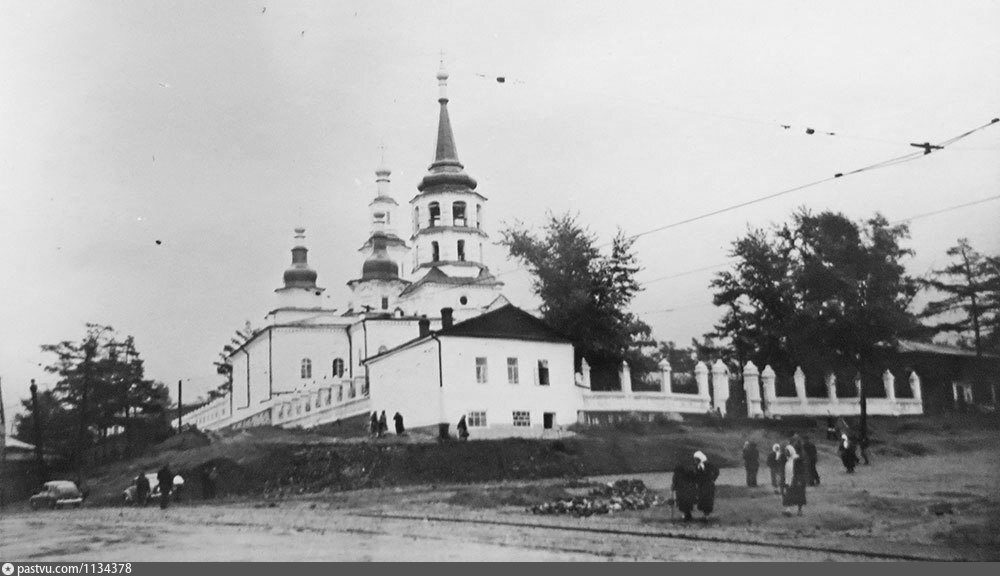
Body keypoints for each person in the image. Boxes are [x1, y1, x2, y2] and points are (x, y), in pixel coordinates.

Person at [692, 451, 719, 519]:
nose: (695, 461)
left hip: (708, 484)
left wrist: (713, 478)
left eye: (696, 459)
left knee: (707, 499)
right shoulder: (697, 466)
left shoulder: (707, 464)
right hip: (701, 485)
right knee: (702, 499)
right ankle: (705, 514)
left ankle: (706, 514)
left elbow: (716, 471)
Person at [782, 444, 807, 516]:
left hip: (797, 480)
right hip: (789, 481)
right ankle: (788, 510)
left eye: (787, 451)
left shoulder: (797, 459)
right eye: (785, 451)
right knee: (788, 496)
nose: (786, 453)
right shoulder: (788, 460)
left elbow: (801, 471)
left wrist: (799, 480)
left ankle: (799, 511)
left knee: (799, 496)